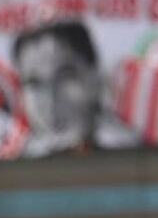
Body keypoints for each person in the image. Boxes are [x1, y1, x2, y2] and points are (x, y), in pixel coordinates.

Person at [12, 20, 136, 157]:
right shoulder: (17, 164)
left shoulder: (133, 155)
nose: (50, 100)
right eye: (34, 83)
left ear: (96, 80)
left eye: (64, 77)